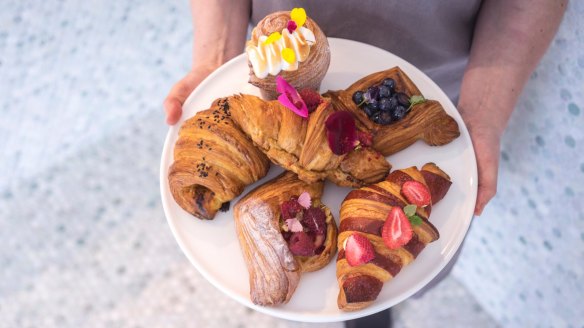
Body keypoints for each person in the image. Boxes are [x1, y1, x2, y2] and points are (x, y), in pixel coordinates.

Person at [163, 0, 567, 326]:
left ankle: (369, 312)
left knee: (393, 280)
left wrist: (482, 112)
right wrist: (213, 60)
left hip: (432, 85)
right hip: (274, 61)